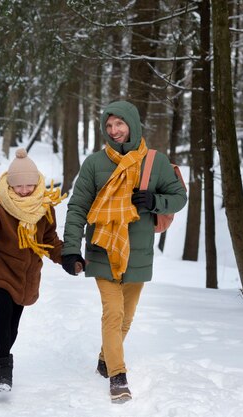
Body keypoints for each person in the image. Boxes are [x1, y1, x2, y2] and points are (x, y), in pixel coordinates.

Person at [61, 101, 187, 403]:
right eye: (108, 126)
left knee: (126, 317)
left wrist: (154, 200)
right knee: (113, 313)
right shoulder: (94, 164)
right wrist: (70, 249)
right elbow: (78, 207)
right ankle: (118, 377)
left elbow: (179, 197)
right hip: (102, 248)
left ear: (132, 123)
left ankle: (106, 358)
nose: (114, 130)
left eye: (119, 124)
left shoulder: (155, 162)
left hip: (138, 251)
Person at [0, 149, 77, 392]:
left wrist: (67, 258)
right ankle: (5, 372)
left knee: (14, 323)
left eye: (30, 185)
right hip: (1, 269)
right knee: (4, 309)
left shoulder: (44, 206)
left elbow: (50, 240)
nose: (25, 190)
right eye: (19, 186)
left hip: (28, 273)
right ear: (10, 184)